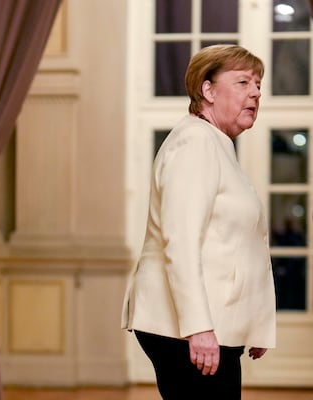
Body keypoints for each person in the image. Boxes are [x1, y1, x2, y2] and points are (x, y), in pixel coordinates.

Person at [121, 45, 276, 399]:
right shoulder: (195, 142)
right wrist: (199, 328)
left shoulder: (214, 143)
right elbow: (181, 241)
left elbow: (231, 248)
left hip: (207, 328)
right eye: (242, 82)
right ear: (207, 90)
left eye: (257, 84)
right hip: (189, 330)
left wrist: (253, 325)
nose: (255, 92)